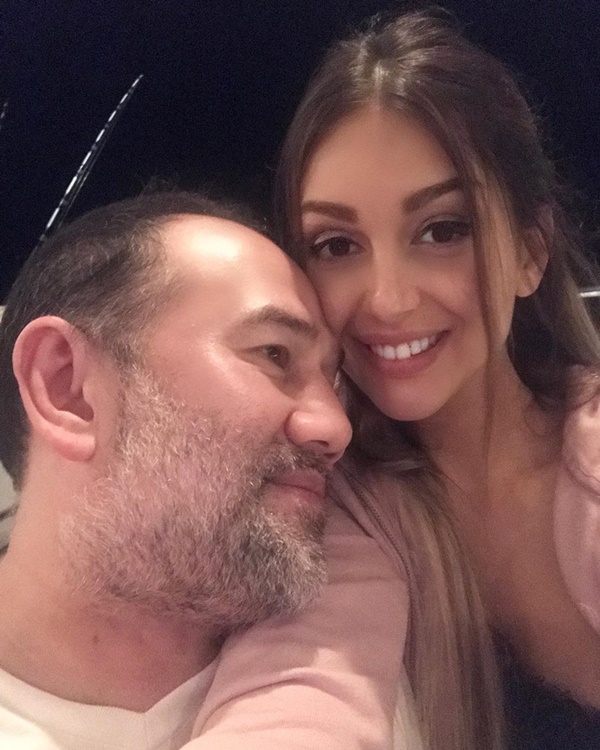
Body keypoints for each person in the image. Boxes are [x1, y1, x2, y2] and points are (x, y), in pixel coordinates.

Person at [183, 10, 600, 750]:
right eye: (337, 245)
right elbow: (298, 692)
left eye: (442, 230)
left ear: (530, 254)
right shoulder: (338, 504)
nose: (388, 300)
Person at [0, 190, 354, 750]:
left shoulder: (368, 668)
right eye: (274, 353)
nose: (335, 427)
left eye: (334, 381)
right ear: (67, 389)